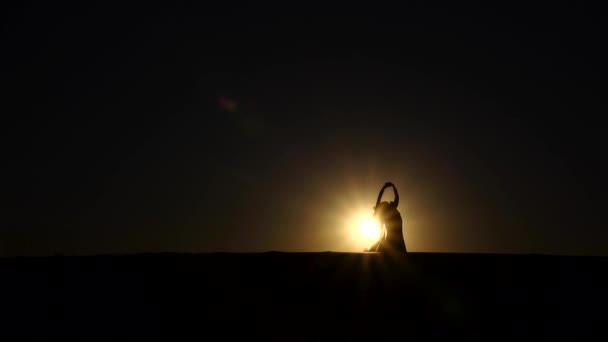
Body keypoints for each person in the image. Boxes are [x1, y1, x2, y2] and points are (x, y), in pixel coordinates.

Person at [366, 182, 407, 255]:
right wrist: (390, 187)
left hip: (396, 236)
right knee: (387, 243)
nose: (388, 202)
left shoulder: (391, 208)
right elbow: (396, 197)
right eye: (386, 203)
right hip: (393, 237)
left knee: (390, 243)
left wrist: (386, 188)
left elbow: (395, 197)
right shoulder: (389, 209)